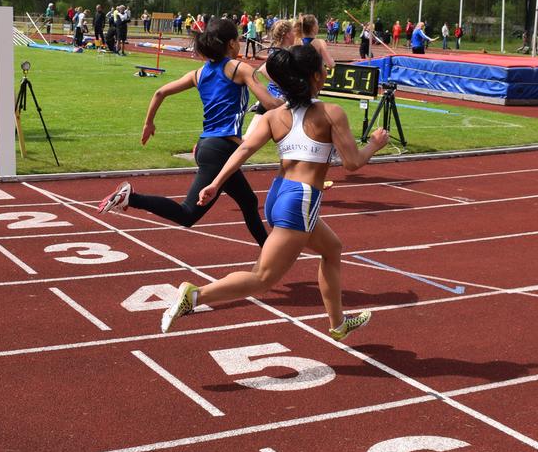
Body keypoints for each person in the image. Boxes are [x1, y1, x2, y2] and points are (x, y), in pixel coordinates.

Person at [159, 43, 390, 339]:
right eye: (323, 69)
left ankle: (338, 324)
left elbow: (244, 149)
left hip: (278, 195)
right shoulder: (332, 113)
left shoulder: (273, 115)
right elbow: (353, 162)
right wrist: (374, 143)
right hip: (301, 199)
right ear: (315, 77)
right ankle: (194, 296)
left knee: (332, 249)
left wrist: (216, 183)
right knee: (262, 278)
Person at [97, 18, 280, 244]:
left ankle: (269, 253)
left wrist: (149, 124)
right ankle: (132, 198)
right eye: (239, 40)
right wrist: (295, 101)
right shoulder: (238, 68)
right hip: (221, 150)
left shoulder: (199, 73)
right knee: (187, 214)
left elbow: (160, 93)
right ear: (232, 43)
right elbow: (270, 104)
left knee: (249, 202)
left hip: (209, 147)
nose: (241, 43)